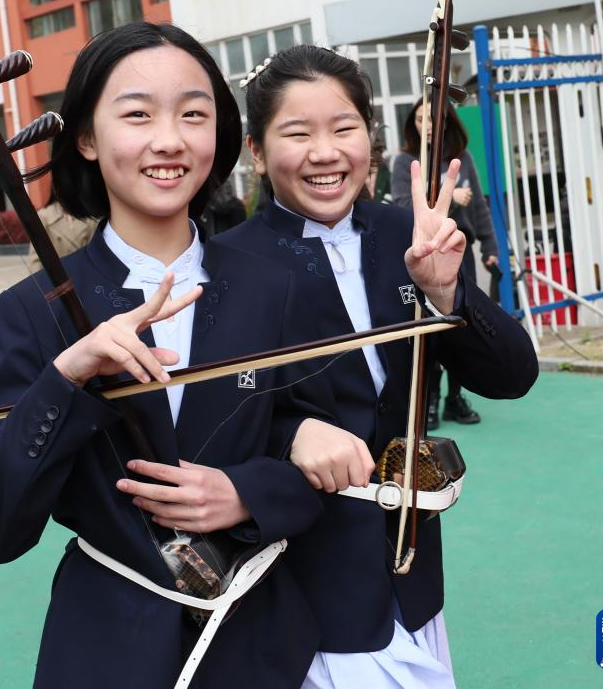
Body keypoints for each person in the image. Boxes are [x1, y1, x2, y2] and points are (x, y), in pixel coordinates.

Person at [0, 23, 327, 689]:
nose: (169, 140)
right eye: (137, 115)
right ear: (86, 138)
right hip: (106, 648)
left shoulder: (274, 286)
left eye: (193, 114)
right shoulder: (34, 311)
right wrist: (67, 376)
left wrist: (246, 493)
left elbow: (325, 457)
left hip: (256, 641)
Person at [214, 45, 538, 688]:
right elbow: (212, 424)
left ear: (370, 136)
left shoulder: (410, 234)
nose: (325, 153)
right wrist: (290, 436)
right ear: (256, 151)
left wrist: (446, 293)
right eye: (297, 134)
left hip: (411, 569)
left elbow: (512, 375)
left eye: (344, 128)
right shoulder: (223, 266)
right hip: (298, 582)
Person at [391, 99, 500, 427]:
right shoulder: (405, 162)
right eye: (419, 119)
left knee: (462, 325)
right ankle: (431, 399)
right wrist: (449, 198)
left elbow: (479, 207)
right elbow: (402, 206)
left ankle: (455, 397)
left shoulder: (461, 159)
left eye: (432, 118)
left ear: (447, 121)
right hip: (424, 259)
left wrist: (489, 246)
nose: (426, 126)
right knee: (430, 328)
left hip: (459, 254)